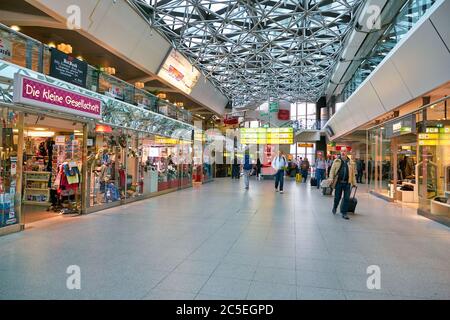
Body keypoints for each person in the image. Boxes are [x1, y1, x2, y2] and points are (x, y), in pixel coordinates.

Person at [329, 148, 356, 220]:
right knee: (337, 197)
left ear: (347, 153)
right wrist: (331, 178)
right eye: (342, 151)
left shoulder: (351, 162)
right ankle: (335, 207)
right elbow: (332, 171)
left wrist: (354, 183)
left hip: (347, 183)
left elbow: (353, 174)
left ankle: (344, 213)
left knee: (346, 198)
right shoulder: (337, 161)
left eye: (344, 151)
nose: (343, 152)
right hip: (338, 182)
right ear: (340, 152)